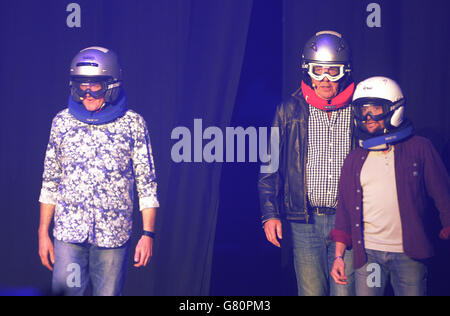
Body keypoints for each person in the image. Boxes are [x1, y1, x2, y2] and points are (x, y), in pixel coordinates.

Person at [38, 46, 160, 296]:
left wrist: (148, 234)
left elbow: (147, 184)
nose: (87, 93)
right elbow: (50, 181)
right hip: (68, 234)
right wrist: (43, 233)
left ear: (112, 83)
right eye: (81, 86)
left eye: (95, 85)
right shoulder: (61, 122)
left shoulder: (132, 124)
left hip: (113, 238)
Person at [330, 76, 450, 296]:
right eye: (363, 110)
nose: (368, 117)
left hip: (409, 255)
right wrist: (338, 257)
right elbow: (344, 212)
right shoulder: (355, 158)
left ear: (394, 108)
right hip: (370, 256)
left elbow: (443, 193)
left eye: (375, 109)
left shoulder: (420, 148)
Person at [258, 31, 356, 296]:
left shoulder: (358, 110)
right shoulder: (289, 109)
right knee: (310, 293)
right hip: (304, 221)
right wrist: (270, 213)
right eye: (318, 71)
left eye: (333, 72)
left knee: (344, 293)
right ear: (307, 71)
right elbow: (270, 166)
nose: (325, 79)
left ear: (344, 72)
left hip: (347, 221)